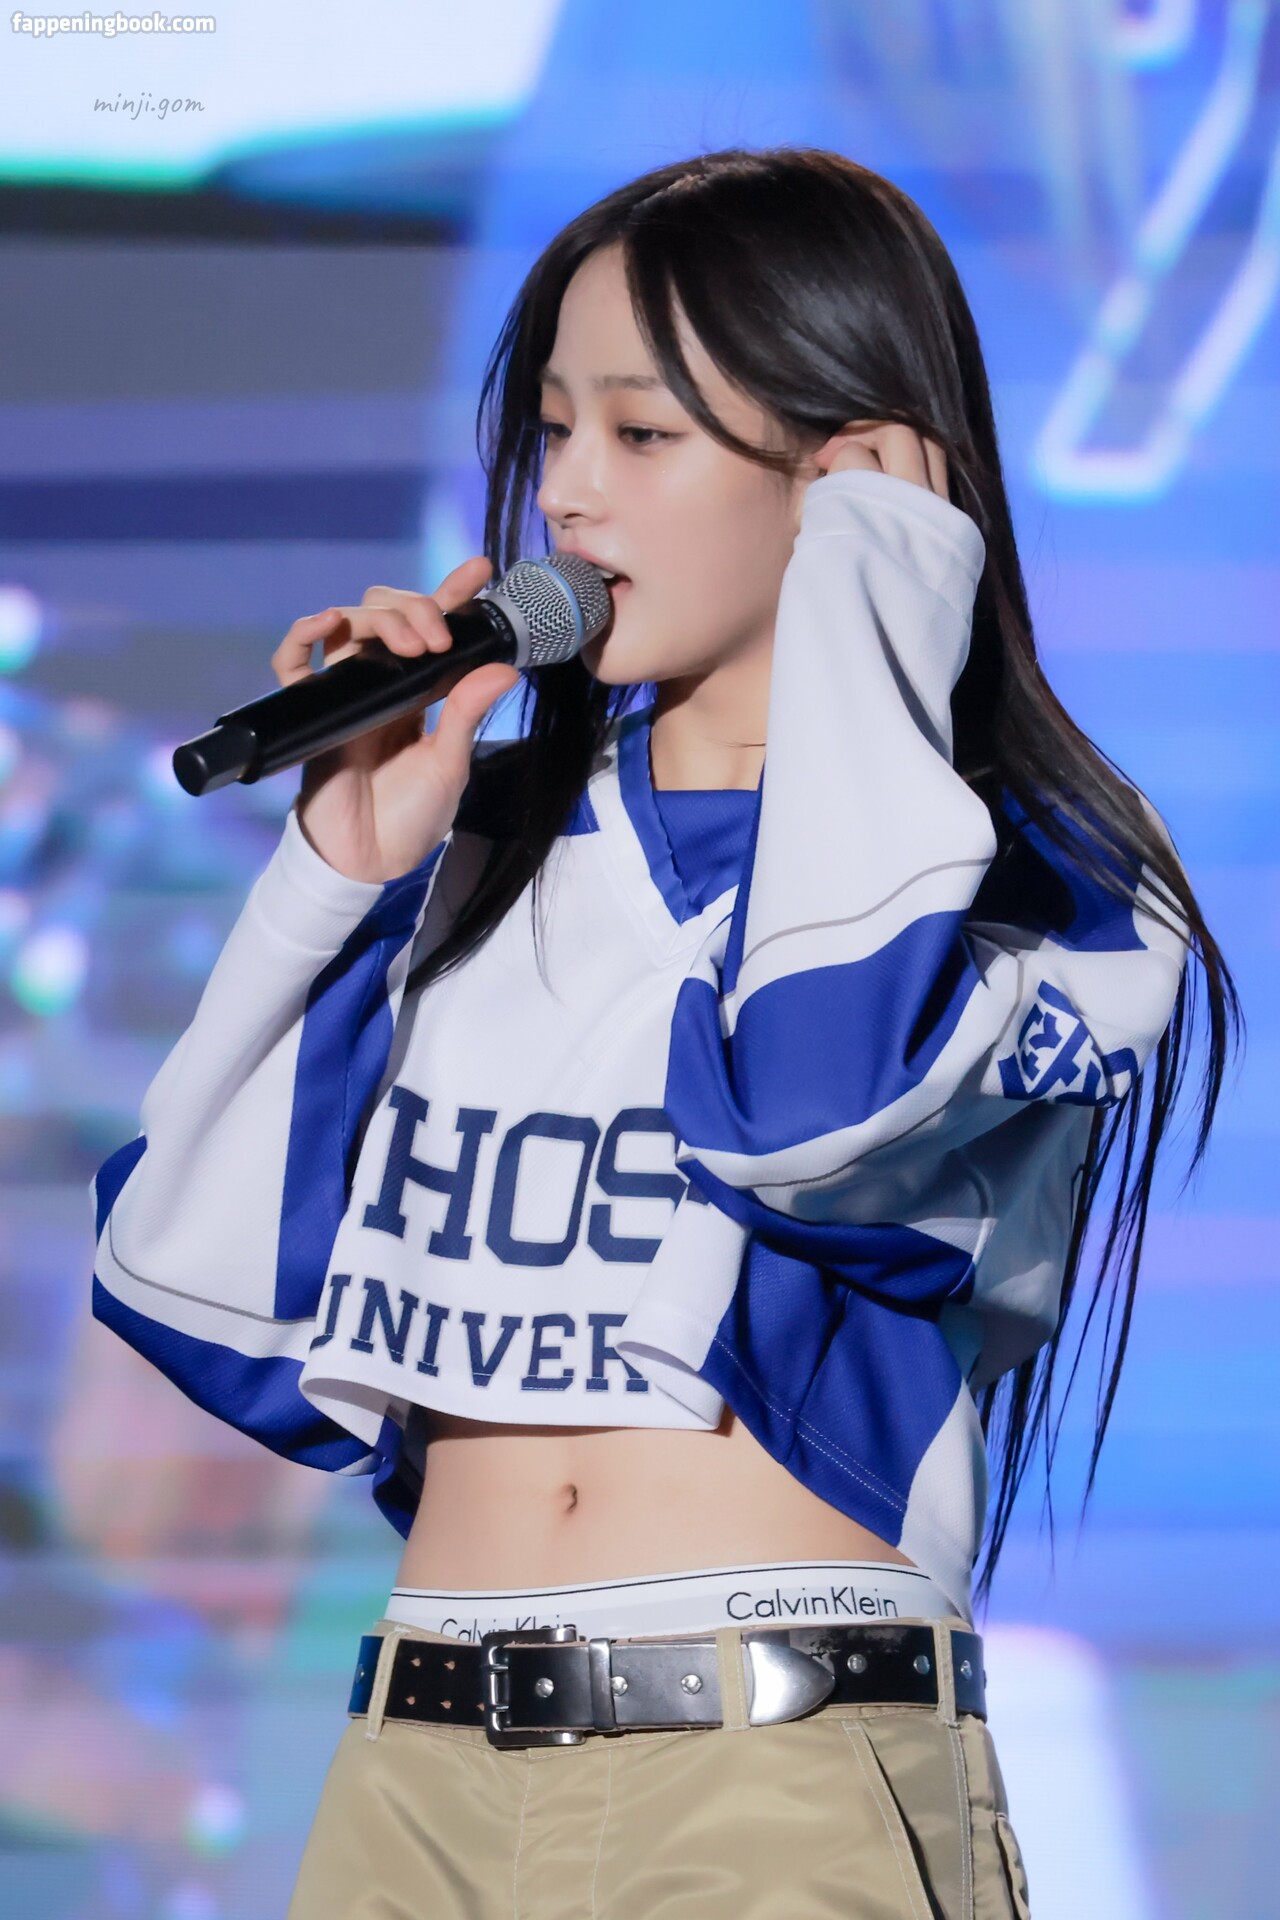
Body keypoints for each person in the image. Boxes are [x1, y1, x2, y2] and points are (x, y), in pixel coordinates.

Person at [90, 147, 1239, 1919]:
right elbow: (197, 1290)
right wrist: (337, 877)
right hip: (414, 1765)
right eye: (555, 430)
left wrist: (878, 606)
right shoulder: (482, 853)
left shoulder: (1051, 880)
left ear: (856, 475)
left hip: (771, 1770)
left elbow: (814, 1119)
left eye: (642, 433)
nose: (568, 495)